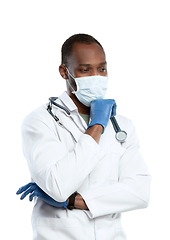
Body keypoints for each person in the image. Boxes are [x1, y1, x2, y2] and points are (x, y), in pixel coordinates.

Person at [16, 33, 151, 240]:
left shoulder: (121, 125)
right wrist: (96, 125)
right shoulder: (40, 121)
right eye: (85, 70)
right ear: (64, 72)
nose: (96, 76)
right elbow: (59, 186)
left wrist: (72, 202)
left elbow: (140, 193)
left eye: (102, 69)